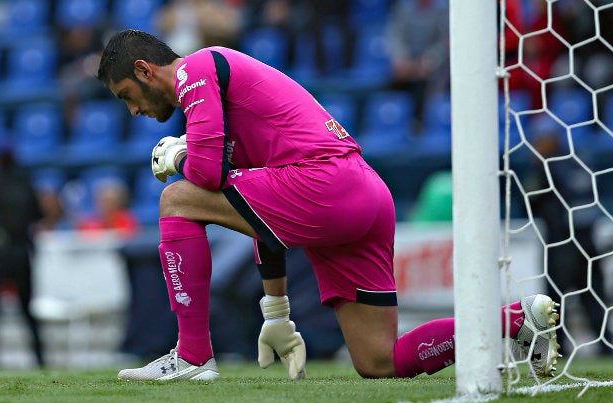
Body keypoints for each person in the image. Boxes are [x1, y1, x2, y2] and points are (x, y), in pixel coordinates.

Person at [95, 29, 560, 381]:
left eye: (126, 98)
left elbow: (209, 176)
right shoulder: (225, 106)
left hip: (326, 185)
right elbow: (260, 215)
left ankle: (193, 355)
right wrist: (276, 313)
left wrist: (179, 156)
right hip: (363, 196)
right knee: (379, 361)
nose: (133, 112)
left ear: (143, 70)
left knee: (177, 199)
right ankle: (518, 321)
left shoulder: (196, 69)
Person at [525, 118, 612, 356]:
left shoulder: (548, 165)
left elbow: (530, 202)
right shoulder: (580, 160)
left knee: (555, 300)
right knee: (592, 296)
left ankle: (555, 347)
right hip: (587, 242)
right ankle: (605, 345)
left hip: (561, 243)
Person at [0, 147, 46, 368]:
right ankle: (39, 356)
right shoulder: (24, 181)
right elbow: (37, 215)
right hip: (21, 250)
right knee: (26, 307)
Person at [386, 0, 449, 128]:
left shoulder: (443, 6)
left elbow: (444, 41)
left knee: (427, 84)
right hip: (408, 60)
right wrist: (402, 59)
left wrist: (427, 61)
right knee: (393, 82)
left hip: (434, 64)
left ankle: (421, 124)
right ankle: (395, 123)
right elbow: (395, 34)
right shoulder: (403, 4)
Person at [156, 0, 241, 56]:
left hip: (204, 49)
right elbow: (160, 26)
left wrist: (203, 22)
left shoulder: (209, 4)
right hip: (176, 52)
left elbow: (229, 27)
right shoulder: (173, 7)